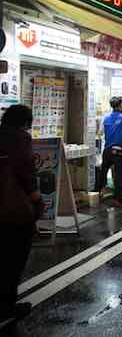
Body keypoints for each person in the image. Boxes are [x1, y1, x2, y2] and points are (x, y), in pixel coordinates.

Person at [0, 105, 43, 322]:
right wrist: (36, 199)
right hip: (12, 209)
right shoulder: (20, 138)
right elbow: (26, 171)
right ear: (26, 121)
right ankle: (7, 306)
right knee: (13, 256)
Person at [98, 96, 122, 207]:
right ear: (119, 105)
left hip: (107, 150)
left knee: (103, 173)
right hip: (119, 151)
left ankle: (97, 194)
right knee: (118, 176)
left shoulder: (106, 118)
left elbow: (101, 133)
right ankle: (119, 200)